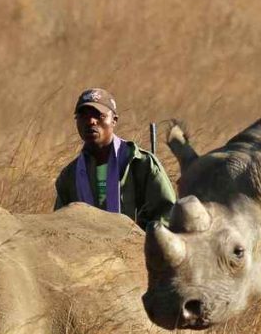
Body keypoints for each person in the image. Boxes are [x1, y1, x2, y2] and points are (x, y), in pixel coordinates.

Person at [54, 88, 176, 229]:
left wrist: (143, 238)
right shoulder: (70, 175)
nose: (91, 121)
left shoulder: (140, 163)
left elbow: (168, 215)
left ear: (114, 120)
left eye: (98, 115)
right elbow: (59, 227)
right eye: (83, 116)